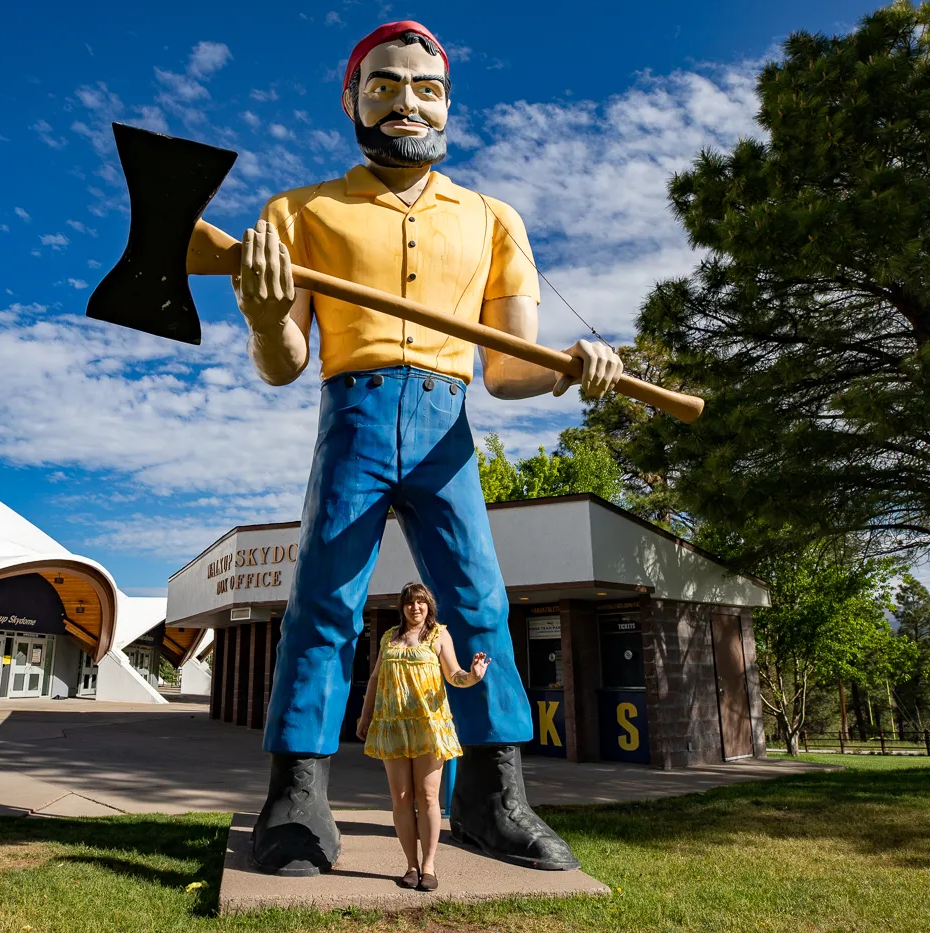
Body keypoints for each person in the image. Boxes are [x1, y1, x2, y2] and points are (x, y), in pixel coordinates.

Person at [241, 20, 623, 876]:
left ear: (447, 101)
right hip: (356, 417)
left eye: (426, 87)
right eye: (384, 84)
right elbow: (284, 364)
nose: (405, 101)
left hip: (448, 426)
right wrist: (269, 316)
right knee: (323, 604)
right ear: (350, 98)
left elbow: (508, 368)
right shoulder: (297, 213)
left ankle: (494, 795)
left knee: (481, 604)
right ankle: (296, 798)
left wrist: (569, 369)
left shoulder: (492, 219)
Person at [357, 582, 488, 891]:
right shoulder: (390, 637)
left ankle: (429, 866)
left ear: (429, 606)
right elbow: (375, 678)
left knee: (428, 796)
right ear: (402, 607)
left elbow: (454, 674)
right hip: (392, 725)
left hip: (429, 725)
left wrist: (473, 675)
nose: (415, 608)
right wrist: (365, 715)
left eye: (421, 603)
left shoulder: (439, 635)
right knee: (401, 798)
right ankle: (410, 866)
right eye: (409, 603)